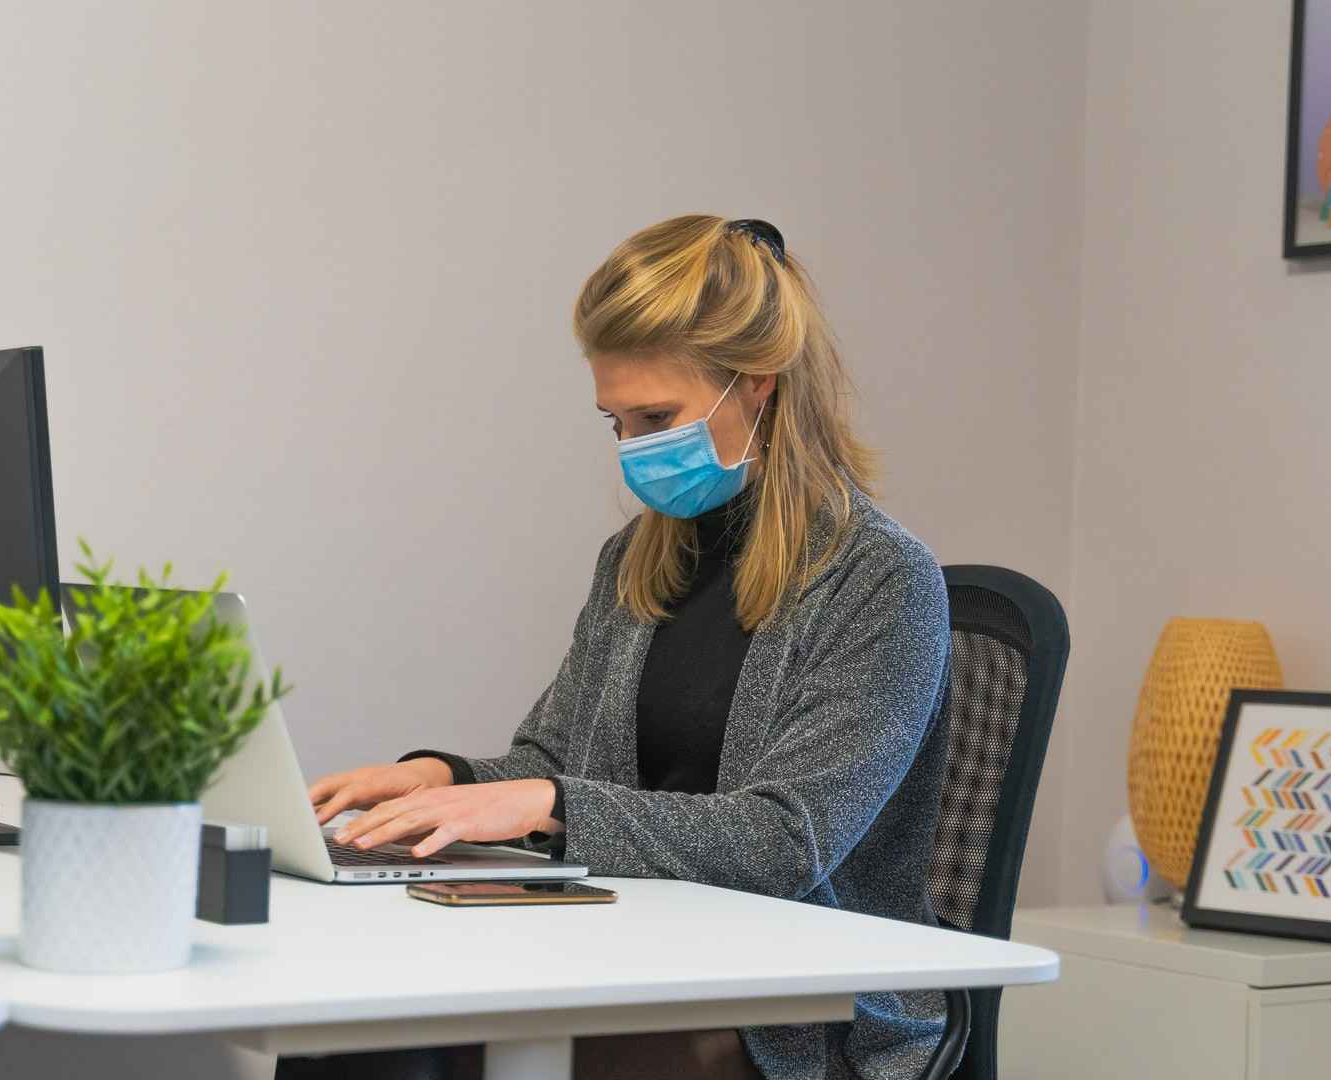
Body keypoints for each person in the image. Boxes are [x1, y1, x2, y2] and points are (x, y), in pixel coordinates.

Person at [284, 214, 950, 1080]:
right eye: (616, 422)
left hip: (790, 1021)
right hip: (629, 953)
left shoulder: (879, 580)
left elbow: (788, 842)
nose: (635, 448)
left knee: (413, 1053)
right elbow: (552, 758)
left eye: (657, 416)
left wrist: (544, 800)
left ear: (757, 383)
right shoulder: (638, 559)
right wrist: (440, 778)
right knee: (349, 1036)